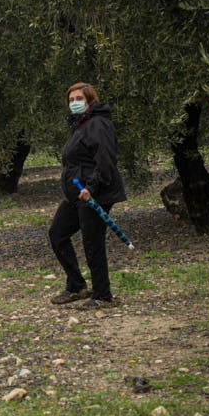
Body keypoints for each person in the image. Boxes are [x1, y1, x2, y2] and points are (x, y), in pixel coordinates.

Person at [48, 82, 126, 309]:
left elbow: (106, 160)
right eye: (71, 100)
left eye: (79, 99)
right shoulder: (80, 124)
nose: (75, 103)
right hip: (77, 194)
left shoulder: (98, 124)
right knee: (57, 234)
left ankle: (103, 295)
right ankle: (77, 285)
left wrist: (91, 187)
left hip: (96, 193)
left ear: (90, 101)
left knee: (93, 243)